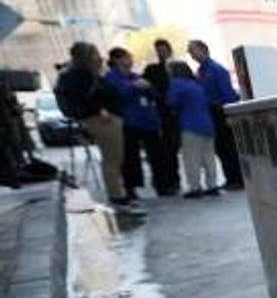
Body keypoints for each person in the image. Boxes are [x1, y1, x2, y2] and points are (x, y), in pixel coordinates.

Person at [54, 42, 145, 215]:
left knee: (114, 159)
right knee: (113, 159)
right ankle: (118, 197)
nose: (99, 58)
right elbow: (89, 96)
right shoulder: (81, 75)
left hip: (103, 117)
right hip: (102, 119)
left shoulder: (81, 74)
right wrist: (100, 110)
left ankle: (119, 195)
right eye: (95, 54)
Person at [105, 47, 176, 198]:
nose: (130, 60)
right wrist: (133, 87)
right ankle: (131, 187)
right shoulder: (112, 78)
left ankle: (162, 184)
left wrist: (149, 88)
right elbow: (117, 95)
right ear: (117, 60)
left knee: (157, 154)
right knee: (131, 157)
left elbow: (152, 94)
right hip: (128, 121)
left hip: (147, 120)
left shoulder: (135, 76)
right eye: (126, 57)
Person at [187, 40, 243, 189]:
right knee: (221, 148)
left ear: (203, 50)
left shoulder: (216, 69)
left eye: (192, 51)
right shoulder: (201, 71)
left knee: (229, 147)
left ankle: (237, 179)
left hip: (220, 111)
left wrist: (230, 115)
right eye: (190, 52)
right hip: (210, 113)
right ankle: (230, 178)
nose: (191, 54)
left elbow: (227, 93)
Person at [165, 62, 219, 198]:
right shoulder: (197, 85)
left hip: (190, 125)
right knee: (209, 157)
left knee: (192, 158)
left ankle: (195, 187)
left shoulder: (176, 83)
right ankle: (212, 185)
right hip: (207, 124)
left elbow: (172, 102)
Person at [143, 38, 181, 188]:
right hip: (163, 113)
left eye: (164, 50)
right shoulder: (152, 70)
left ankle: (174, 178)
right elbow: (147, 88)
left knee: (174, 147)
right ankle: (171, 179)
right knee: (167, 148)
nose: (161, 53)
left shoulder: (178, 68)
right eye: (159, 51)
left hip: (178, 114)